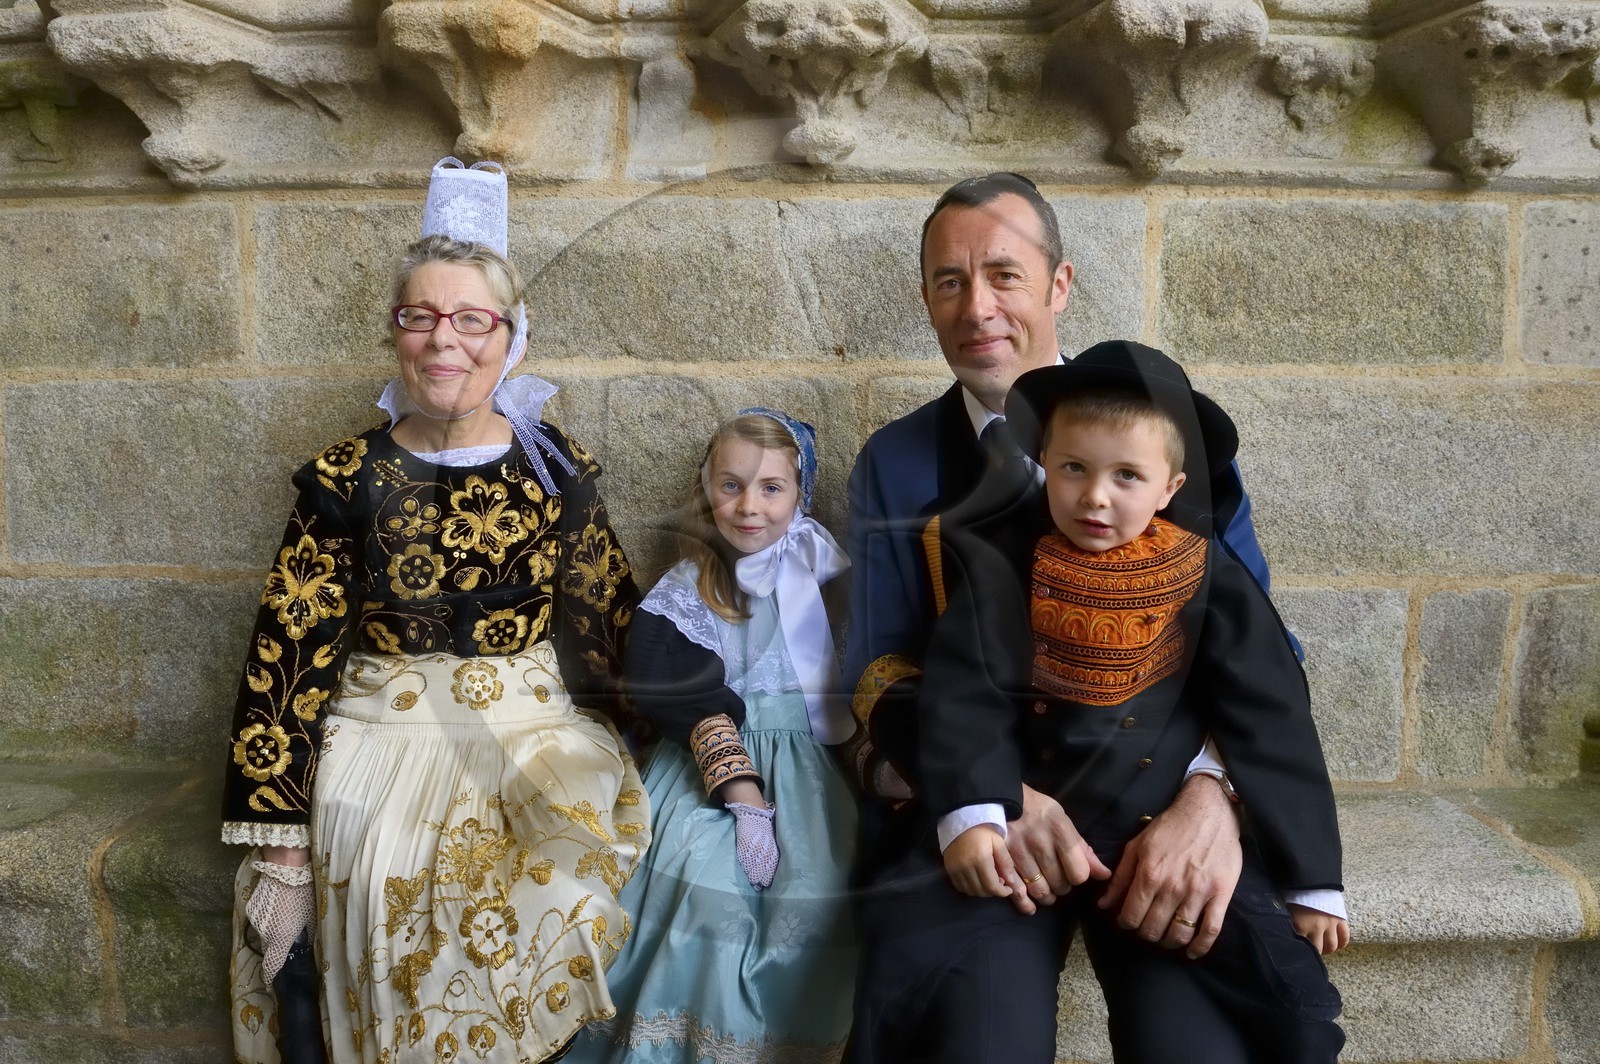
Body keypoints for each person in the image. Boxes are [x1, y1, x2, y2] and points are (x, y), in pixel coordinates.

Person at [844, 173, 1290, 1061]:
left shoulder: (1168, 438)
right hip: (993, 829)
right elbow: (878, 671)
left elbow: (1262, 653)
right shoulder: (895, 463)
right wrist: (986, 795)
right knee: (977, 1037)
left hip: (1161, 809)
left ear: (1059, 285)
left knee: (1196, 1045)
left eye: (1004, 275)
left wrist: (1213, 798)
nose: (977, 308)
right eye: (949, 281)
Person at [222, 158, 650, 1064]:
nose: (442, 341)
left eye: (469, 319)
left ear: (511, 338)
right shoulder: (343, 481)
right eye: (419, 317)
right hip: (383, 736)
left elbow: (608, 618)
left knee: (555, 879)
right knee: (381, 871)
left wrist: (707, 731)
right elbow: (289, 654)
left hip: (531, 727)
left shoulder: (555, 471)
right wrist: (283, 857)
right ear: (396, 334)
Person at [926, 340, 1348, 1062]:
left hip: (1152, 824)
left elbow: (1267, 709)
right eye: (1074, 470)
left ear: (1168, 486)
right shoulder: (1002, 563)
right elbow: (961, 692)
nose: (1095, 496)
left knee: (1280, 989)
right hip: (1032, 835)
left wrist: (1315, 881)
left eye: (1126, 476)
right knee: (968, 1018)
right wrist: (974, 809)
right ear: (1044, 466)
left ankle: (1302, 1022)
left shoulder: (1205, 571)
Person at [572, 409, 859, 1063]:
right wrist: (741, 790)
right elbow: (671, 684)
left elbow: (863, 678)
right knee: (705, 893)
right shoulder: (689, 589)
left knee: (818, 897)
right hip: (705, 770)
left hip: (811, 767)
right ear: (707, 490)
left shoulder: (829, 581)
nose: (749, 507)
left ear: (801, 495)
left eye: (771, 489)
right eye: (731, 486)